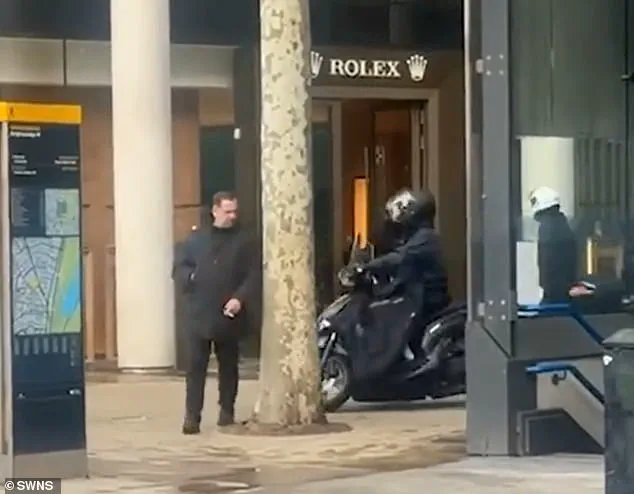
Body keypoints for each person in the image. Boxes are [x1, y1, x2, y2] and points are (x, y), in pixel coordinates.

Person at [173, 191, 259, 433]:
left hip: (229, 312)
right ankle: (192, 417)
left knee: (228, 366)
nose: (232, 216)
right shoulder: (195, 240)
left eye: (234, 211)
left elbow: (253, 274)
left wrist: (240, 298)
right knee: (195, 367)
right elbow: (179, 268)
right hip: (199, 312)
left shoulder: (245, 241)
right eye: (227, 211)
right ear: (215, 211)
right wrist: (191, 277)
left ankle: (227, 412)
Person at [363, 188, 451, 315]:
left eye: (404, 209)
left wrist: (368, 265)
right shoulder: (415, 237)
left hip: (426, 302)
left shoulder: (426, 237)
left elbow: (399, 258)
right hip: (415, 297)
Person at [529, 186, 578, 303]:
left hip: (555, 293)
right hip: (564, 290)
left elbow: (547, 263)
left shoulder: (548, 227)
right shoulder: (563, 224)